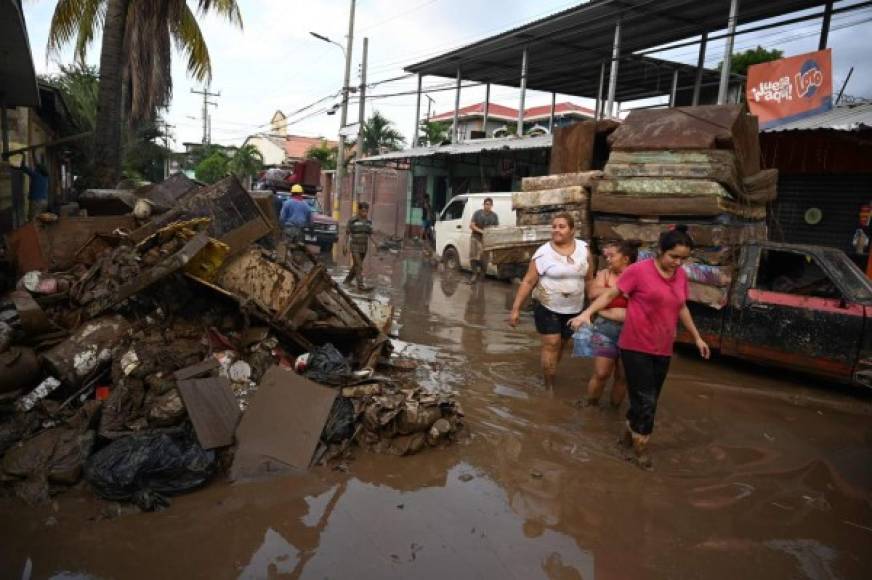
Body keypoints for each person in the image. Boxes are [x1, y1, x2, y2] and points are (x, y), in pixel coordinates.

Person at [570, 226, 710, 470]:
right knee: (647, 403)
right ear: (660, 251)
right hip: (635, 346)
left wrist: (697, 337)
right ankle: (640, 453)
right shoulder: (638, 271)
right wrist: (587, 314)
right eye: (673, 256)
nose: (678, 263)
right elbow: (609, 294)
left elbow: (681, 307)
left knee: (646, 399)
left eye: (683, 258)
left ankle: (626, 438)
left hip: (663, 348)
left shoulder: (680, 276)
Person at [509, 213, 594, 389]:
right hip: (547, 305)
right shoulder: (543, 253)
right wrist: (516, 309)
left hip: (574, 307)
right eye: (554, 226)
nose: (556, 230)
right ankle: (549, 387)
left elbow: (589, 279)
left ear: (572, 230)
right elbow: (528, 281)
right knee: (552, 343)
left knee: (562, 344)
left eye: (561, 226)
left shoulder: (584, 250)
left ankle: (550, 371)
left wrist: (592, 307)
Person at [580, 240, 640, 409]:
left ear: (626, 258)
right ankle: (591, 405)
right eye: (607, 256)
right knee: (601, 373)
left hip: (632, 332)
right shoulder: (605, 274)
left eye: (612, 256)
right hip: (605, 328)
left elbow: (642, 301)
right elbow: (593, 292)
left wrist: (612, 295)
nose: (608, 259)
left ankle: (613, 410)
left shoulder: (639, 276)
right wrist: (621, 290)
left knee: (623, 377)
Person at [344, 202, 374, 290]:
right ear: (359, 210)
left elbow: (371, 234)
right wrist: (344, 246)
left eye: (366, 211)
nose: (365, 213)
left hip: (364, 247)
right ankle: (360, 285)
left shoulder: (369, 222)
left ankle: (347, 280)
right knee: (359, 265)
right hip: (354, 246)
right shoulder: (352, 221)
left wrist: (376, 245)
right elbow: (347, 234)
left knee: (356, 265)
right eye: (363, 211)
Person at [469, 197, 499, 283]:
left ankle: (482, 276)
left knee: (484, 259)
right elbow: (471, 226)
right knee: (473, 257)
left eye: (489, 204)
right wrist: (482, 231)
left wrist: (491, 234)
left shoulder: (494, 216)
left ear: (492, 206)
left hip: (487, 240)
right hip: (475, 237)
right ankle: (474, 274)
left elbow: (496, 228)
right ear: (483, 204)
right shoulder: (477, 213)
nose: (488, 206)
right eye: (486, 204)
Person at [11, 154, 49, 220]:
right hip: (44, 201)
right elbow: (37, 164)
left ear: (38, 170)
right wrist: (33, 152)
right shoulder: (45, 177)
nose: (35, 168)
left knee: (32, 219)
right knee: (40, 219)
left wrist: (23, 156)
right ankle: (40, 230)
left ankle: (33, 230)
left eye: (36, 168)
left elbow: (23, 167)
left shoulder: (35, 175)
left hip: (36, 201)